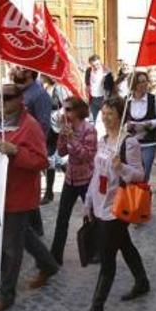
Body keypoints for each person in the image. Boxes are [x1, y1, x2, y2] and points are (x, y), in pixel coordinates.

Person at [0, 84, 59, 311]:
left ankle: (6, 295)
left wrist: (16, 151)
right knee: (23, 235)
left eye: (7, 98)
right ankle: (49, 264)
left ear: (20, 99)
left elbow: (41, 161)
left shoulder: (30, 125)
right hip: (1, 192)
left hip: (19, 194)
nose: (1, 103)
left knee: (11, 247)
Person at [77, 97, 149, 311]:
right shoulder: (104, 140)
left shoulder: (129, 144)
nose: (105, 117)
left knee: (107, 257)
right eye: (103, 113)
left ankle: (97, 308)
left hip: (118, 206)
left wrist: (122, 167)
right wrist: (88, 201)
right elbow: (97, 173)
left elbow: (140, 176)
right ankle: (142, 281)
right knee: (124, 244)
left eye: (110, 113)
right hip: (100, 202)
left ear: (120, 115)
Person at [50, 97, 97, 266]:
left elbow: (87, 155)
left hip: (86, 179)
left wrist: (73, 139)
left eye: (68, 109)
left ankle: (97, 251)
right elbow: (61, 153)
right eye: (64, 109)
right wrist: (62, 136)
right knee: (62, 218)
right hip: (70, 178)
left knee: (93, 217)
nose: (65, 113)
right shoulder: (67, 128)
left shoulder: (89, 130)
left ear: (78, 111)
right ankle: (55, 256)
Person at [11, 67, 53, 236]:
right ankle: (35, 231)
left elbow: (43, 125)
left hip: (28, 150)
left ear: (29, 73)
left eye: (19, 68)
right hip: (16, 150)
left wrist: (35, 149)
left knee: (28, 193)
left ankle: (34, 236)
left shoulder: (39, 94)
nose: (14, 70)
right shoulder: (20, 91)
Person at [125, 71, 156, 179]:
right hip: (131, 143)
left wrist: (152, 123)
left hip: (149, 143)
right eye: (141, 82)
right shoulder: (127, 101)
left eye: (145, 81)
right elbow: (122, 121)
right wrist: (127, 126)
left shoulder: (154, 100)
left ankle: (143, 194)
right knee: (132, 174)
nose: (145, 84)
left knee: (144, 174)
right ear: (134, 84)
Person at [41, 75, 69, 204]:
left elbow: (67, 105)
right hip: (47, 125)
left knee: (56, 158)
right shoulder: (44, 88)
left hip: (57, 126)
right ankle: (49, 192)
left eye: (43, 74)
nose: (41, 76)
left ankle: (76, 184)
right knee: (50, 158)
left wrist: (62, 116)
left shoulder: (59, 89)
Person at [85, 55, 112, 121]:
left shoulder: (106, 71)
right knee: (95, 119)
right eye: (93, 65)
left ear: (100, 62)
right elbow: (87, 84)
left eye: (97, 64)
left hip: (103, 98)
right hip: (92, 99)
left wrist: (107, 99)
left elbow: (110, 87)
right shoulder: (88, 71)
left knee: (105, 119)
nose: (96, 67)